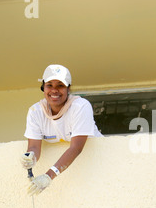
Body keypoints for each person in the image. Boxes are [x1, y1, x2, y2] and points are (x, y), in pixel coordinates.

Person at [20, 64, 103, 195]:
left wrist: (48, 176)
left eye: (60, 85)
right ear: (43, 87)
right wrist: (31, 158)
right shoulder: (35, 111)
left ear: (68, 88)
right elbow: (34, 147)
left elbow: (76, 148)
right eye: (49, 85)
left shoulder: (80, 106)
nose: (54, 90)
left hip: (99, 163)